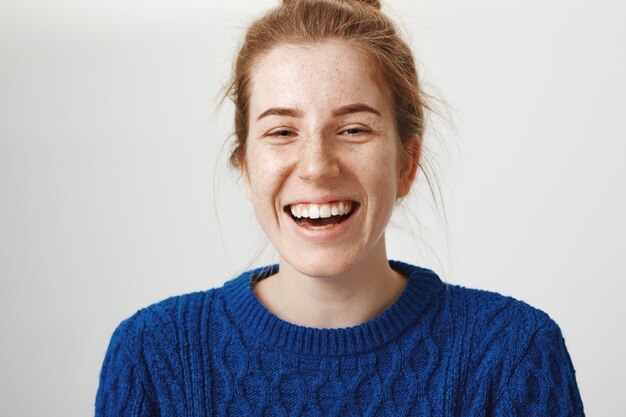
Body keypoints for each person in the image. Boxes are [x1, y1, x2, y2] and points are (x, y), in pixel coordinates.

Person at [95, 0, 585, 416]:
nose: (316, 167)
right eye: (282, 132)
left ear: (406, 164)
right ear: (244, 166)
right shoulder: (152, 357)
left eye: (353, 129)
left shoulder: (513, 356)